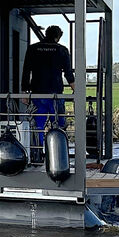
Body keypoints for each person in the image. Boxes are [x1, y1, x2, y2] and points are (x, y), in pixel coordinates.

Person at [20, 25, 75, 156]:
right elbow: (68, 73)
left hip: (38, 92)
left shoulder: (33, 49)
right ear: (58, 37)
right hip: (56, 93)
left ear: (46, 34)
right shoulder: (62, 50)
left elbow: (26, 71)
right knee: (58, 126)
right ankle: (58, 155)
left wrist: (24, 92)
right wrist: (76, 90)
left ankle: (37, 154)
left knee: (37, 125)